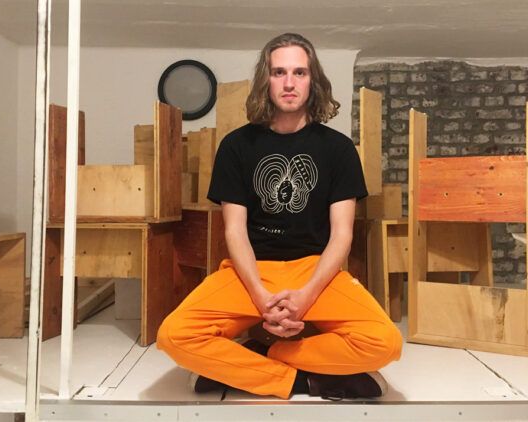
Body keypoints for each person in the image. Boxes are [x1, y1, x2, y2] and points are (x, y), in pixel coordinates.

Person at [157, 33, 402, 400]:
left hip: (316, 270)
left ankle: (262, 358)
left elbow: (342, 236)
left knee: (386, 343)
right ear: (266, 80)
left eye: (299, 72)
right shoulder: (236, 146)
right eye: (279, 72)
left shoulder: (338, 149)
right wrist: (259, 295)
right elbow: (234, 231)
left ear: (313, 80)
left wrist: (306, 296)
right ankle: (302, 381)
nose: (289, 83)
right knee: (173, 335)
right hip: (251, 271)